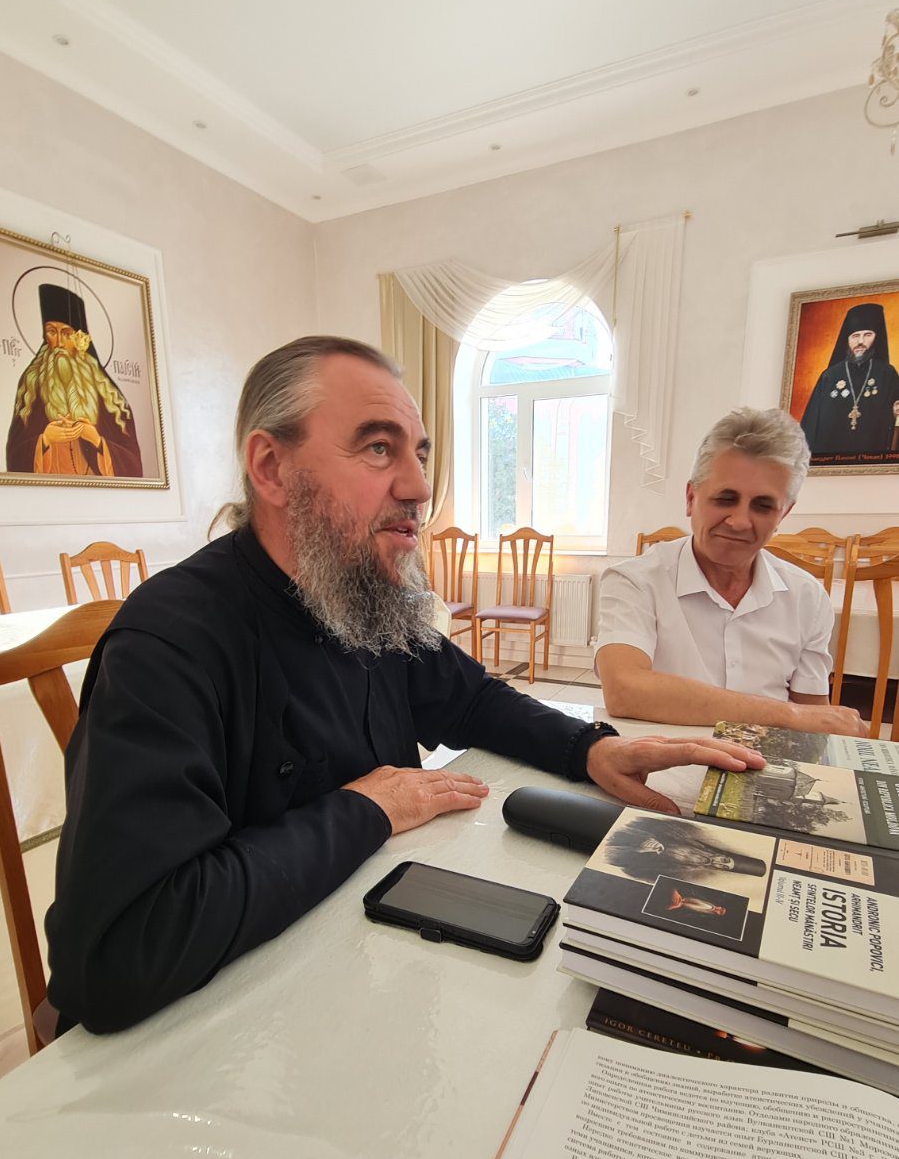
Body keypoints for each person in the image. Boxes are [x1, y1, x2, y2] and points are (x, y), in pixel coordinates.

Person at [45, 336, 761, 1034]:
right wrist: (367, 809)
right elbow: (117, 955)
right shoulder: (171, 644)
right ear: (271, 468)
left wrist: (591, 748)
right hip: (223, 1035)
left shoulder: (359, 591)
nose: (419, 487)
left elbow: (471, 699)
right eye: (377, 448)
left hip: (356, 976)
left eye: (418, 453)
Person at [595, 406, 866, 735]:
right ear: (691, 498)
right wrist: (789, 715)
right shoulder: (635, 581)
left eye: (763, 506)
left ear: (783, 514)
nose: (739, 521)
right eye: (725, 499)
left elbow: (814, 721)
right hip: (662, 764)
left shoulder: (807, 597)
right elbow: (624, 690)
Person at [6, 283, 142, 477]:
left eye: (67, 333)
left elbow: (132, 462)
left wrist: (97, 441)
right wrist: (45, 440)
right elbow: (15, 455)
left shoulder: (106, 391)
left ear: (80, 339)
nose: (59, 343)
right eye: (52, 331)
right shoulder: (31, 384)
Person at [799, 301, 899, 462]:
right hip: (829, 463)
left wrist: (894, 414)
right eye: (855, 336)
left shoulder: (887, 375)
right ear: (847, 339)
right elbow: (810, 426)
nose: (860, 341)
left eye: (867, 334)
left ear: (877, 337)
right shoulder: (829, 376)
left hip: (872, 462)